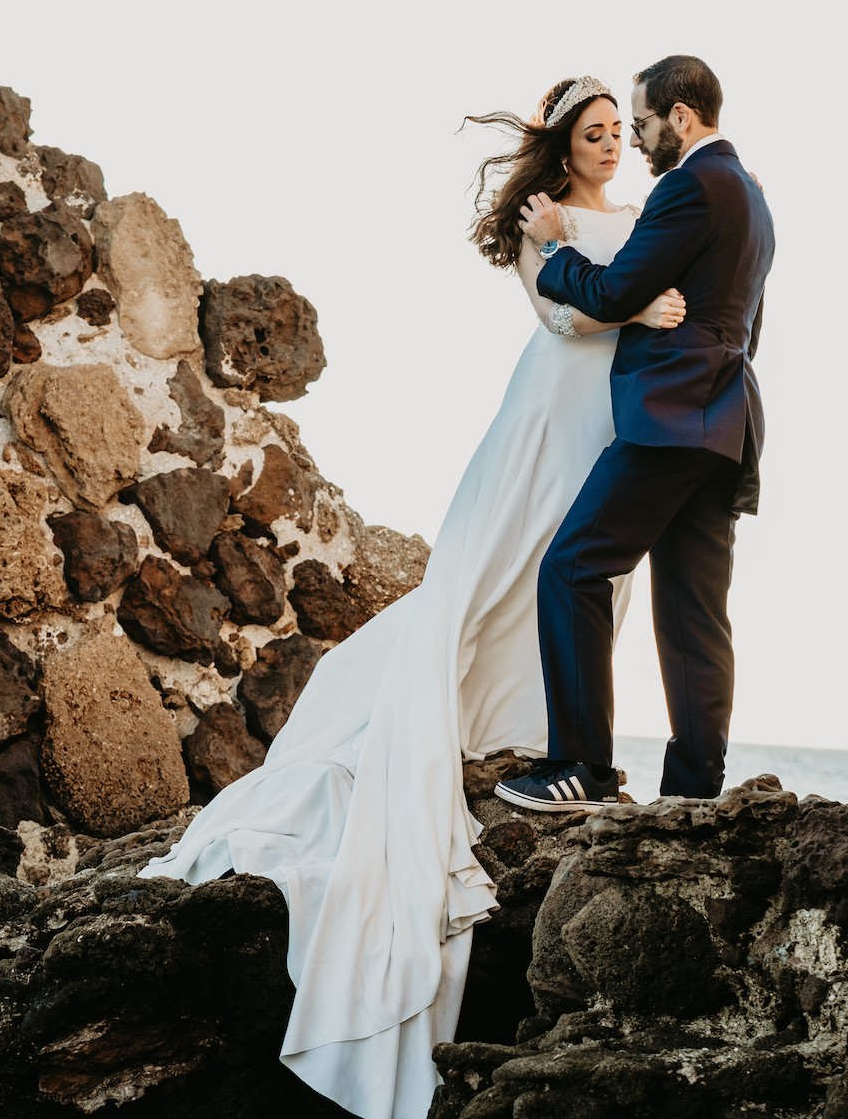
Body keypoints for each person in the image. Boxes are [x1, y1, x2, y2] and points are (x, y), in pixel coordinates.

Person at [139, 76, 684, 1119]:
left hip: (619, 417)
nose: (612, 145)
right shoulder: (550, 218)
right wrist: (637, 299)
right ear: (561, 146)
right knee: (504, 563)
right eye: (594, 133)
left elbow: (669, 294)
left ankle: (548, 728)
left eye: (621, 132)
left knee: (587, 574)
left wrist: (657, 301)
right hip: (556, 401)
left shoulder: (641, 216)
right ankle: (475, 714)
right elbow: (562, 318)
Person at [496, 55, 775, 815]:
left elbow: (618, 291)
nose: (639, 141)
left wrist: (554, 248)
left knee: (574, 568)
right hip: (725, 422)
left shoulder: (690, 185)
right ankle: (692, 792)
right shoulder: (753, 196)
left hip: (669, 418)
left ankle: (582, 767)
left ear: (679, 119)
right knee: (693, 612)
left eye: (643, 123)